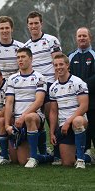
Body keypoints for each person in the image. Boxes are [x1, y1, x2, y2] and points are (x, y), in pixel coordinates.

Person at [5, 48, 53, 168]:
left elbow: (39, 101)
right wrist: (7, 125)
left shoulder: (40, 77)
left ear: (31, 59)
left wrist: (23, 116)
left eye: (23, 57)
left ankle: (33, 157)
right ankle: (47, 156)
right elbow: (9, 103)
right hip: (18, 122)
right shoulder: (12, 78)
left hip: (35, 117)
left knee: (30, 117)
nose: (20, 60)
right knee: (21, 161)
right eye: (18, 57)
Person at [24, 11, 62, 155]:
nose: (34, 26)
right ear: (28, 26)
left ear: (41, 24)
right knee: (37, 119)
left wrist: (57, 85)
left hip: (50, 85)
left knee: (52, 118)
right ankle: (43, 150)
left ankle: (58, 152)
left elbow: (58, 63)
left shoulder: (51, 40)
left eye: (36, 23)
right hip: (34, 87)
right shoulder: (27, 45)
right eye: (31, 23)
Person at [49, 54, 95, 168]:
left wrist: (68, 121)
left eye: (61, 64)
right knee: (67, 163)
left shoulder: (78, 82)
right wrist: (51, 132)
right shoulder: (53, 88)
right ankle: (87, 156)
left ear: (67, 65)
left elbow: (84, 106)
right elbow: (53, 112)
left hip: (78, 121)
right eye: (56, 65)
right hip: (63, 126)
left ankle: (80, 160)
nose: (58, 67)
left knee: (78, 121)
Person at [68, 27, 95, 151]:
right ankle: (84, 152)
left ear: (90, 37)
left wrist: (82, 86)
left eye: (84, 36)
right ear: (76, 39)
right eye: (79, 36)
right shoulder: (71, 57)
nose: (82, 38)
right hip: (76, 101)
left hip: (93, 99)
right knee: (80, 125)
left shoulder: (94, 55)